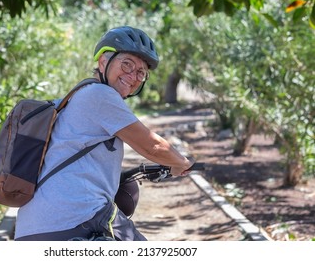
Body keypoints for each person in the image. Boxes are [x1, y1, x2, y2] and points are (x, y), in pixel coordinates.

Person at [14, 26, 195, 241]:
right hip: (75, 216)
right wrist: (181, 162)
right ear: (102, 62)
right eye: (127, 64)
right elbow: (151, 146)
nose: (133, 76)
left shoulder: (75, 98)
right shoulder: (100, 94)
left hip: (34, 228)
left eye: (141, 72)